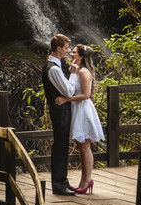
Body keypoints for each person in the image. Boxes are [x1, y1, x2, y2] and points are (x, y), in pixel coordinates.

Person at [55, 44, 105, 193]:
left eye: (74, 52)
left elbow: (85, 95)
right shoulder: (76, 70)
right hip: (77, 109)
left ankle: (87, 181)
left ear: (81, 56)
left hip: (83, 110)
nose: (71, 53)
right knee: (81, 147)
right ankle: (83, 181)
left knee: (84, 147)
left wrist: (66, 100)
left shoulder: (83, 72)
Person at [41, 33, 75, 195]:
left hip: (61, 111)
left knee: (62, 145)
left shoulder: (55, 66)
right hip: (60, 112)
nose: (67, 51)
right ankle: (59, 184)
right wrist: (74, 75)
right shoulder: (53, 69)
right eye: (66, 48)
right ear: (58, 48)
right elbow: (68, 91)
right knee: (60, 146)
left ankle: (63, 181)